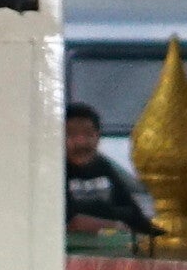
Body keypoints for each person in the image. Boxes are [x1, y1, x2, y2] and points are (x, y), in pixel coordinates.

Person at [65, 103, 159, 250]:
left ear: (97, 137)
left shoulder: (104, 167)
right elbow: (72, 221)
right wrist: (114, 222)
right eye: (72, 134)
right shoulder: (55, 173)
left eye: (88, 134)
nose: (81, 142)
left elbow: (133, 213)